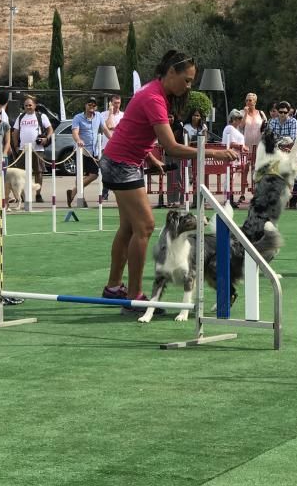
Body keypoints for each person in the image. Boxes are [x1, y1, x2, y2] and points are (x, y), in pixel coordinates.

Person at [98, 50, 238, 314]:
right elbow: (172, 147)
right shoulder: (153, 98)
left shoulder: (155, 93)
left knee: (129, 227)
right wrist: (213, 152)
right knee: (145, 226)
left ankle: (114, 287)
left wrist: (149, 156)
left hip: (123, 161)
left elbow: (133, 129)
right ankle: (136, 297)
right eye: (186, 80)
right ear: (171, 72)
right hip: (121, 165)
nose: (189, 86)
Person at [67, 97, 111, 208]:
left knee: (94, 175)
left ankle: (73, 192)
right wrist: (78, 140)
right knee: (80, 175)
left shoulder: (99, 116)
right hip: (81, 150)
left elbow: (105, 129)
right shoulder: (78, 117)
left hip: (94, 151)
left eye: (94, 105)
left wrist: (113, 140)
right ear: (85, 105)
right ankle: (81, 198)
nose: (91, 107)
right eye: (89, 104)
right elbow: (75, 132)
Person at [12, 94, 53, 202]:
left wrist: (46, 139)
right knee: (21, 173)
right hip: (23, 149)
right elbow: (15, 132)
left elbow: (50, 129)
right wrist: (16, 146)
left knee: (38, 172)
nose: (28, 107)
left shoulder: (41, 116)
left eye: (30, 105)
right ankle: (23, 196)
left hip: (37, 149)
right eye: (26, 105)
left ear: (34, 106)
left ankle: (38, 194)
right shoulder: (20, 117)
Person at [240, 92, 266, 202]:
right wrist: (246, 113)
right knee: (244, 169)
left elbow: (266, 126)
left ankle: (257, 192)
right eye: (247, 100)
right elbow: (241, 125)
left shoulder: (261, 113)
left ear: (255, 101)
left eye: (250, 100)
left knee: (257, 170)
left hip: (258, 146)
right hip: (246, 146)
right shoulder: (242, 113)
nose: (248, 102)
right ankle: (242, 193)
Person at [222, 109, 247, 205]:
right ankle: (228, 199)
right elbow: (230, 142)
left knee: (231, 177)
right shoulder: (229, 128)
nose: (240, 120)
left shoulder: (235, 129)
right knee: (229, 177)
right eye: (238, 118)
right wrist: (242, 147)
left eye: (240, 118)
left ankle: (230, 198)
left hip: (235, 156)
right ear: (233, 119)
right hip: (231, 156)